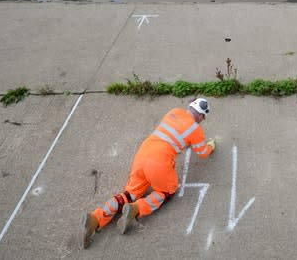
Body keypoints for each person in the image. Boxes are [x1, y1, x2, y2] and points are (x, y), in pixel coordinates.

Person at [81, 98, 216, 249]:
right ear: (201, 116)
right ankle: (136, 209)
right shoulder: (196, 129)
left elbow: (174, 133)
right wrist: (211, 146)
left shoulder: (174, 112)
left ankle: (95, 218)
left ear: (190, 106)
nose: (202, 121)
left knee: (130, 193)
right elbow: (202, 152)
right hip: (159, 162)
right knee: (167, 191)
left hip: (142, 154)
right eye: (203, 118)